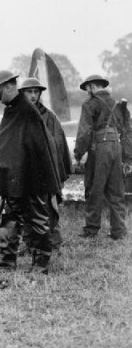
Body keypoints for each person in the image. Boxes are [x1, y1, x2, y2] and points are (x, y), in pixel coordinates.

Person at [0, 71, 61, 274]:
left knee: (37, 218)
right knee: (10, 216)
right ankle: (7, 260)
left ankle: (40, 265)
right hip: (17, 177)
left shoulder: (25, 110)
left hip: (32, 178)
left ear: (9, 86)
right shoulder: (14, 108)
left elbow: (37, 149)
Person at [18, 77, 72, 252]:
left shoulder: (49, 117)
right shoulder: (18, 115)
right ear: (22, 93)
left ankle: (53, 242)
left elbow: (58, 143)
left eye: (36, 92)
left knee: (48, 207)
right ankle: (29, 243)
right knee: (26, 208)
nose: (33, 96)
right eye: (29, 92)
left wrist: (55, 171)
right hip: (26, 171)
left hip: (45, 171)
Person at [74, 75, 128, 240]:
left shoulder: (90, 104)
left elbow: (84, 132)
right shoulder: (119, 105)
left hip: (100, 148)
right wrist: (128, 157)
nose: (86, 93)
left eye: (87, 89)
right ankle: (118, 231)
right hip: (116, 147)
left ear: (91, 87)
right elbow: (127, 131)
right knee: (116, 191)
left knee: (94, 188)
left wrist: (78, 154)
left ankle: (91, 229)